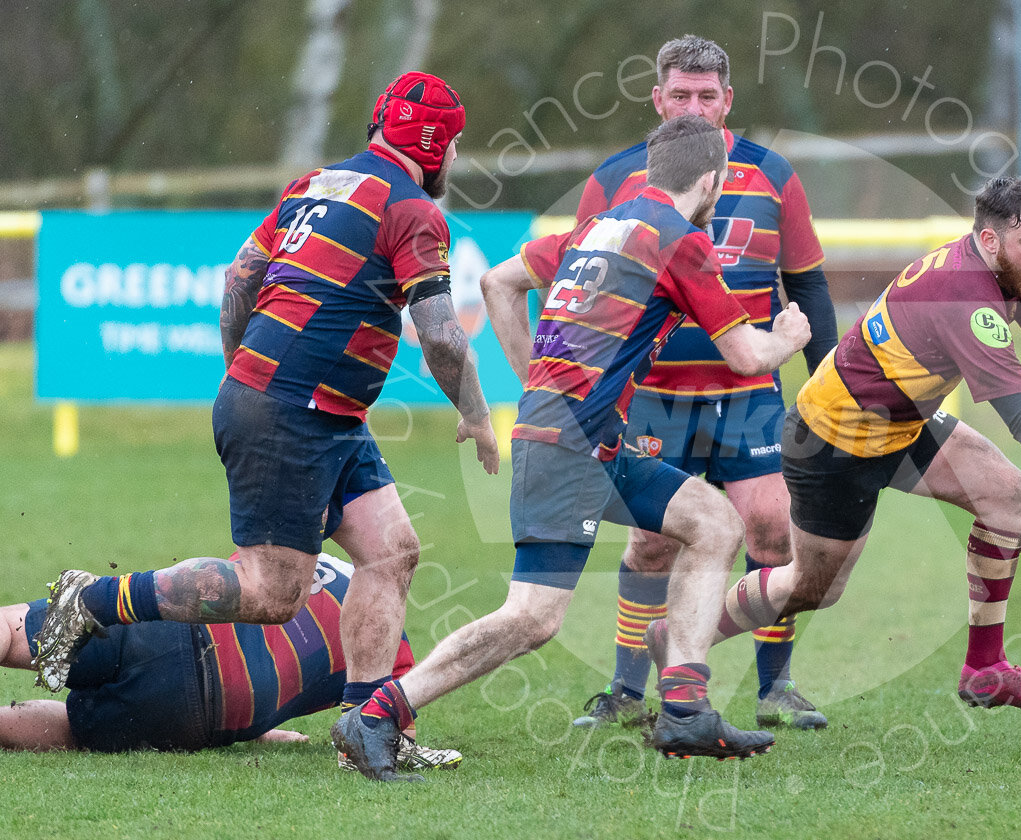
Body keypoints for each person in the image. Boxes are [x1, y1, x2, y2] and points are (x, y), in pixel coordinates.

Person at [330, 115, 811, 782]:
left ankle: (684, 705)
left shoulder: (600, 227)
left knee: (712, 521)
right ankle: (378, 713)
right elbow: (748, 355)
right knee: (532, 618)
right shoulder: (681, 241)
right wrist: (789, 333)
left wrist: (537, 382)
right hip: (569, 446)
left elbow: (499, 281)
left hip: (588, 439)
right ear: (711, 180)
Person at [33, 72, 500, 744]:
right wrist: (479, 415)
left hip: (328, 416)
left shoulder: (314, 185)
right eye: (454, 146)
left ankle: (369, 727)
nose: (454, 159)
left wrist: (239, 366)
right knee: (271, 593)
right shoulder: (413, 210)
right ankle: (93, 598)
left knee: (391, 552)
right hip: (295, 414)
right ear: (434, 146)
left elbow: (239, 278)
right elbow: (444, 337)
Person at [646, 176, 1021, 711]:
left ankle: (985, 669)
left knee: (1009, 497)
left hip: (902, 422)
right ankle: (679, 636)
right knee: (812, 589)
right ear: (990, 243)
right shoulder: (964, 298)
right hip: (833, 438)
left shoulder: (1018, 275)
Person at [570, 34, 838, 733]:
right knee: (653, 544)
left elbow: (807, 284)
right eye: (680, 95)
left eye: (707, 95)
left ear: (728, 101)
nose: (694, 105)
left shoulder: (773, 174)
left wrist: (831, 391)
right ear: (657, 100)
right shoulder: (616, 179)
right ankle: (628, 689)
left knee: (774, 529)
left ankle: (776, 686)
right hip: (653, 397)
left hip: (750, 398)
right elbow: (586, 284)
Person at [4, 553, 460, 772]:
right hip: (206, 715)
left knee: (15, 631)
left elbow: (223, 582)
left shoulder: (315, 557)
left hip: (168, 629)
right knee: (75, 731)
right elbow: (380, 740)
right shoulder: (397, 658)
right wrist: (262, 727)